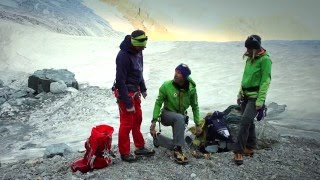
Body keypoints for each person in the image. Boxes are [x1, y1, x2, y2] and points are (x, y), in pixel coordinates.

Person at [114, 30, 155, 162]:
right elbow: (120, 80)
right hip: (125, 93)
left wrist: (143, 88)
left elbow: (139, 71)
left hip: (135, 91)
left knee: (137, 119)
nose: (144, 48)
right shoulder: (123, 56)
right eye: (141, 46)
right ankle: (124, 153)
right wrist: (128, 103)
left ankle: (139, 147)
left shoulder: (138, 51)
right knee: (126, 124)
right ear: (135, 44)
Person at [149, 64, 202, 164]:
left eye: (179, 73)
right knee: (179, 119)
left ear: (185, 77)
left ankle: (159, 139)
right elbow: (158, 103)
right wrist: (154, 121)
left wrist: (197, 124)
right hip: (166, 115)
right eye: (176, 72)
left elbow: (195, 107)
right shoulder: (166, 86)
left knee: (179, 123)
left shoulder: (191, 90)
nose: (176, 75)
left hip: (181, 117)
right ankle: (178, 150)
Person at [233, 35, 272, 165]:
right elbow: (244, 78)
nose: (247, 51)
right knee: (250, 122)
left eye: (249, 48)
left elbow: (265, 81)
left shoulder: (265, 60)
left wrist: (260, 101)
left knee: (244, 122)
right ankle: (250, 147)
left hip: (255, 97)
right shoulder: (249, 59)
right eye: (247, 48)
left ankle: (238, 151)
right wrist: (239, 93)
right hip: (245, 95)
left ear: (256, 48)